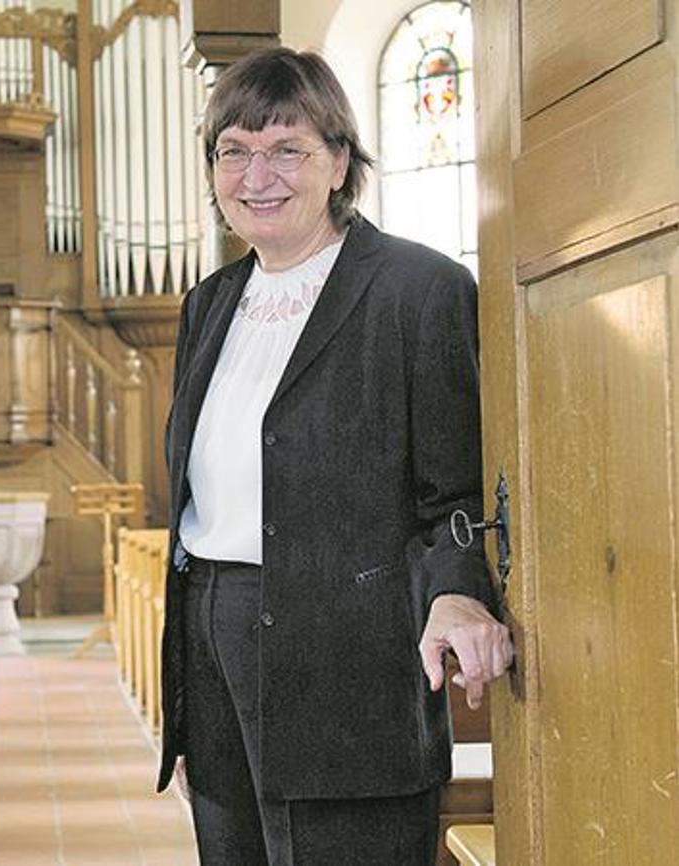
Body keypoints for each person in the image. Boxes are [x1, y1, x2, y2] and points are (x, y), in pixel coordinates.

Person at [158, 47, 514, 865]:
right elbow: (194, 511)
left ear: (339, 160)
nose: (258, 174)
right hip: (218, 653)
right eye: (234, 150)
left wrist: (457, 595)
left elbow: (456, 487)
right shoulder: (208, 304)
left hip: (352, 664)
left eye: (287, 148)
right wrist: (188, 705)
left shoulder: (418, 291)